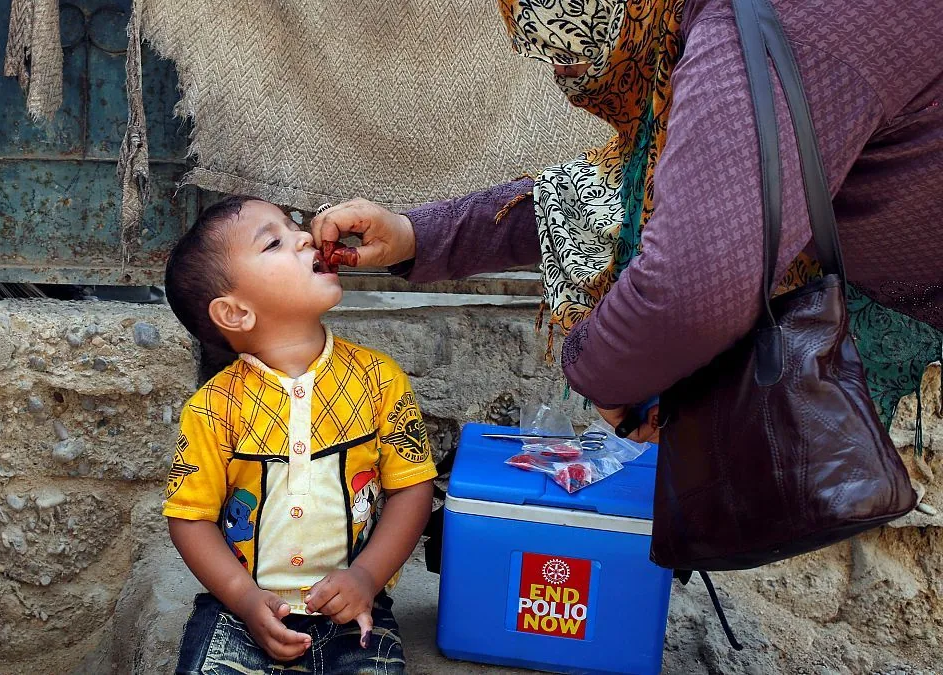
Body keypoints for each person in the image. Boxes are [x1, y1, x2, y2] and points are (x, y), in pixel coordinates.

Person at [311, 0, 943, 442]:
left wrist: (605, 374)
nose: (577, 88)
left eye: (583, 61)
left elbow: (691, 287)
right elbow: (616, 196)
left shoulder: (760, 33)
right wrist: (418, 235)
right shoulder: (719, 40)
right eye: (555, 65)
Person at [162, 196, 437, 673]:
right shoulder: (212, 409)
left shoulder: (379, 380)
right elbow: (190, 518)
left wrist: (367, 578)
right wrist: (244, 599)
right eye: (274, 242)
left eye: (294, 227)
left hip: (357, 608)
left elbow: (412, 488)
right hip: (239, 613)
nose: (305, 236)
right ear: (235, 313)